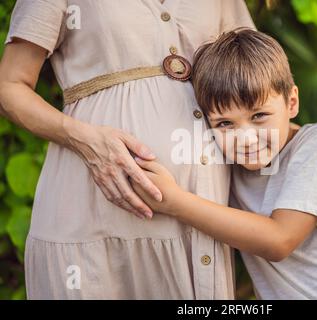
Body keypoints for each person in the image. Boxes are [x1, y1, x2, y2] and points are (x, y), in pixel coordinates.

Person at [0, 0, 256, 299]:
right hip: (93, 206)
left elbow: (255, 73)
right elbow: (9, 87)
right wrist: (89, 142)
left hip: (199, 211)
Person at [131, 29, 317, 299]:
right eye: (225, 123)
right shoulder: (226, 164)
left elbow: (279, 240)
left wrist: (175, 201)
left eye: (260, 116)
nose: (246, 139)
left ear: (292, 102)